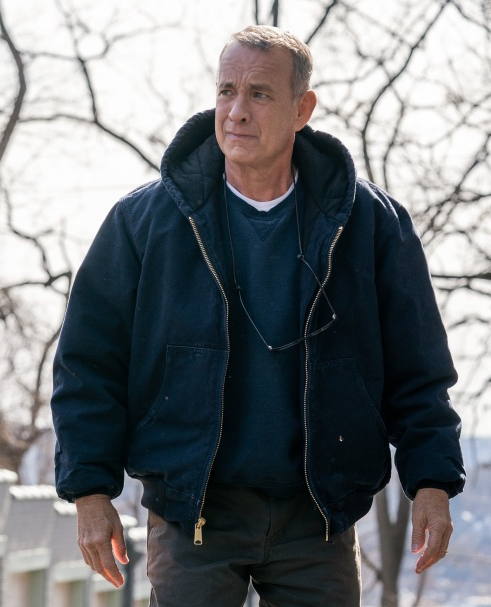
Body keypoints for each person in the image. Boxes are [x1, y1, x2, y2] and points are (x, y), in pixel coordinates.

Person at [51, 25, 465, 606]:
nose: (237, 111)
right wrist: (91, 491)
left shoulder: (370, 223)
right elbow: (87, 363)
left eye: (260, 94)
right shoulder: (144, 222)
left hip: (319, 518)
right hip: (193, 514)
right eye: (227, 91)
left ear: (302, 109)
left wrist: (432, 481)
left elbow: (417, 367)